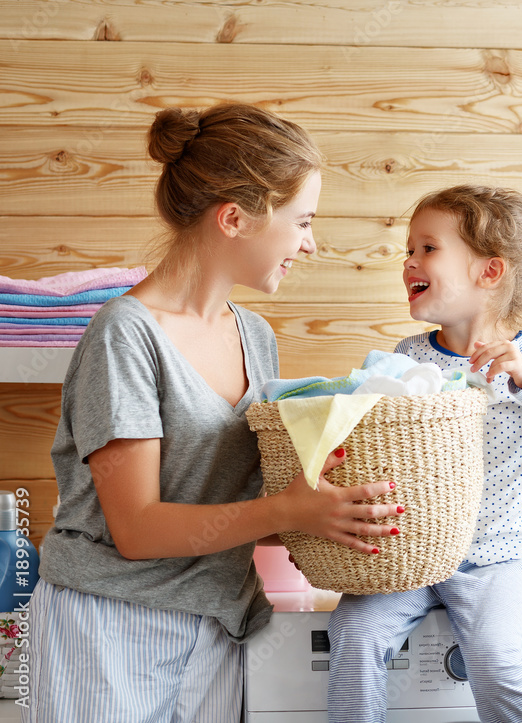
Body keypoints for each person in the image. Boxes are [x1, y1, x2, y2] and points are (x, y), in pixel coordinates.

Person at [24, 102, 402, 723]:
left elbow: (230, 505)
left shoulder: (255, 336)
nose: (310, 244)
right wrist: (287, 509)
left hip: (219, 626)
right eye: (302, 221)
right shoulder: (126, 336)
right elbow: (138, 529)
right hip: (108, 630)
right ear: (234, 218)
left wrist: (336, 514)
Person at [326, 185, 522, 723]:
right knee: (352, 631)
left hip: (499, 558)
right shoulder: (409, 356)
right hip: (415, 556)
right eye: (408, 250)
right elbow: (376, 444)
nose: (409, 261)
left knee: (496, 656)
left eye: (428, 248)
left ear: (489, 272)